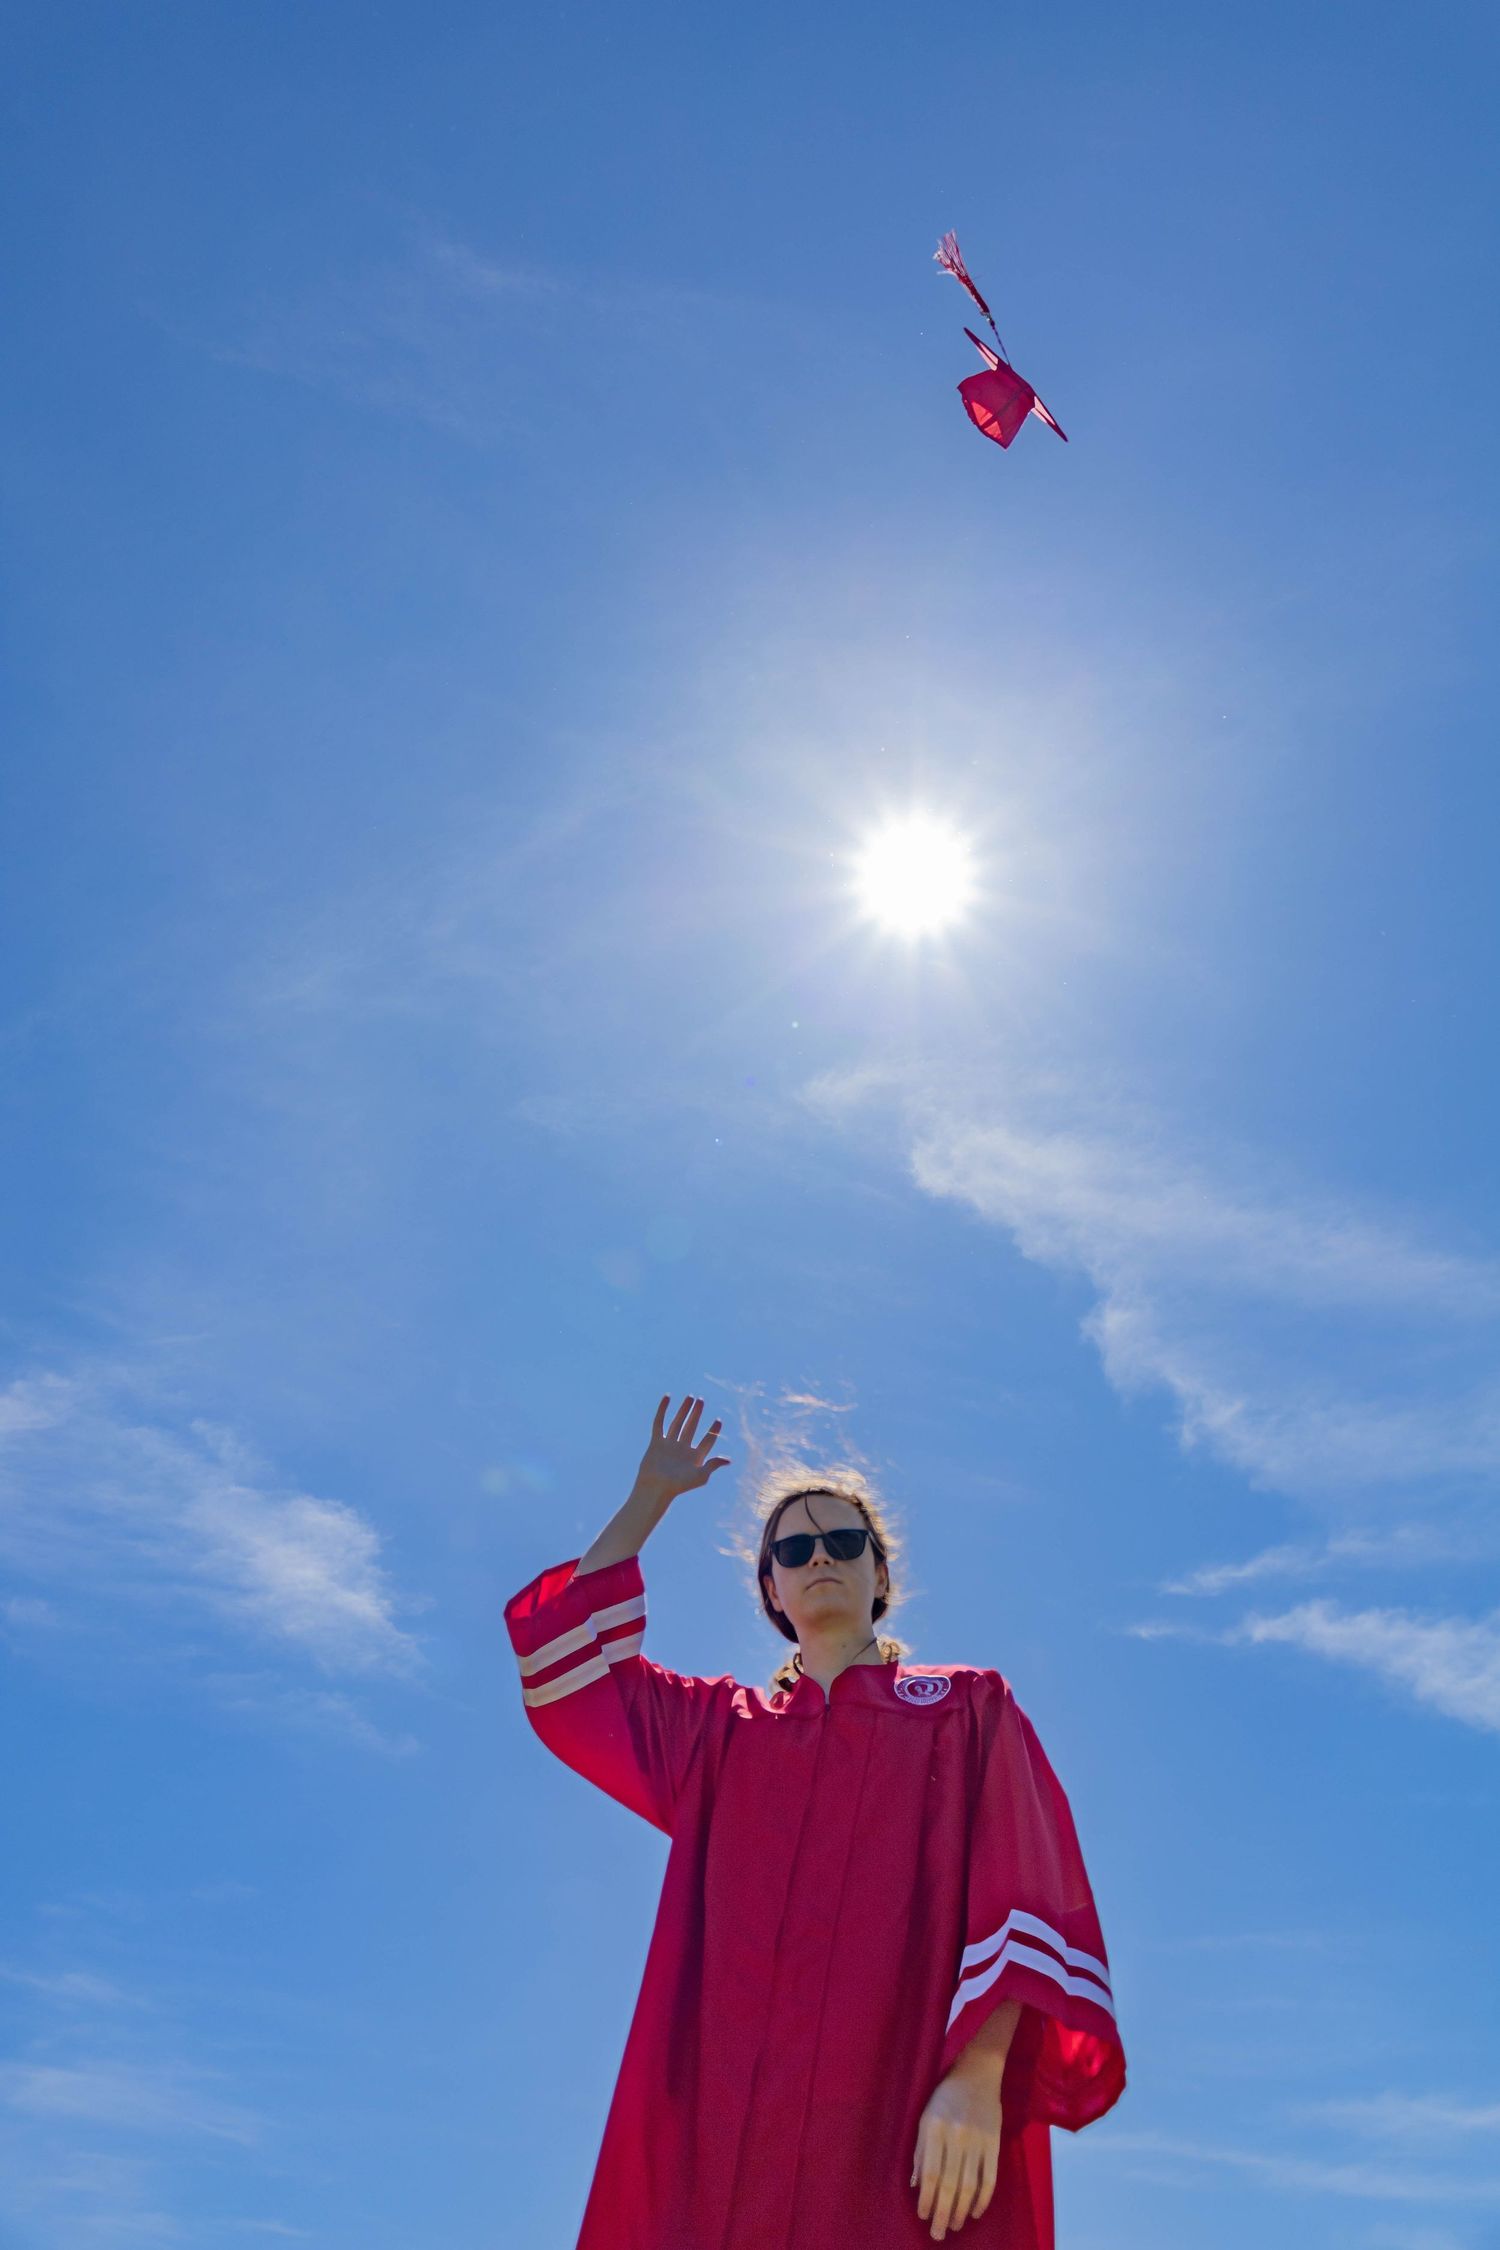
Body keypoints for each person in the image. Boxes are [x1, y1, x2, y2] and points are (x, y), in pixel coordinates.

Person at [505, 1394, 1125, 2249]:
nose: (819, 1556)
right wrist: (647, 1500)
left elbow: (1024, 1894)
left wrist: (977, 2079)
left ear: (881, 1574)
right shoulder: (719, 1735)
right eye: (794, 1549)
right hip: (722, 2138)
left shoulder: (965, 1709)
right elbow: (567, 1672)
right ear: (772, 1588)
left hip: (895, 2126)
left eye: (843, 1541)